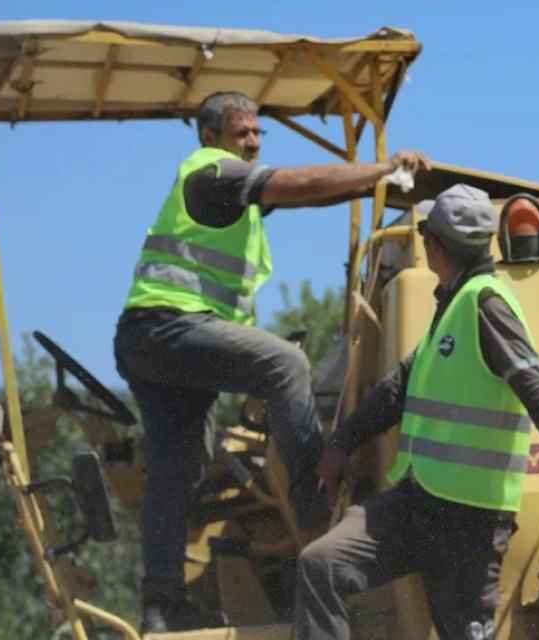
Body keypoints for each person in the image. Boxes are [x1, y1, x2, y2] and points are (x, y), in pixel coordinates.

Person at [112, 90, 429, 633]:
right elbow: (301, 185)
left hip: (152, 342)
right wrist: (385, 167)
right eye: (243, 134)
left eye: (259, 133)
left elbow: (311, 193)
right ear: (211, 137)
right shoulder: (212, 173)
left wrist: (372, 182)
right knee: (285, 365)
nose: (254, 142)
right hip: (169, 329)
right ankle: (314, 504)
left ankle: (161, 604)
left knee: (176, 472)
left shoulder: (230, 189)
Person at [294, 184, 539, 640]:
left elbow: (533, 379)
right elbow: (397, 389)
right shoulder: (451, 307)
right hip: (417, 503)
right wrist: (341, 442)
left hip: (468, 525)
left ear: (435, 245)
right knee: (322, 564)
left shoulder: (485, 304)